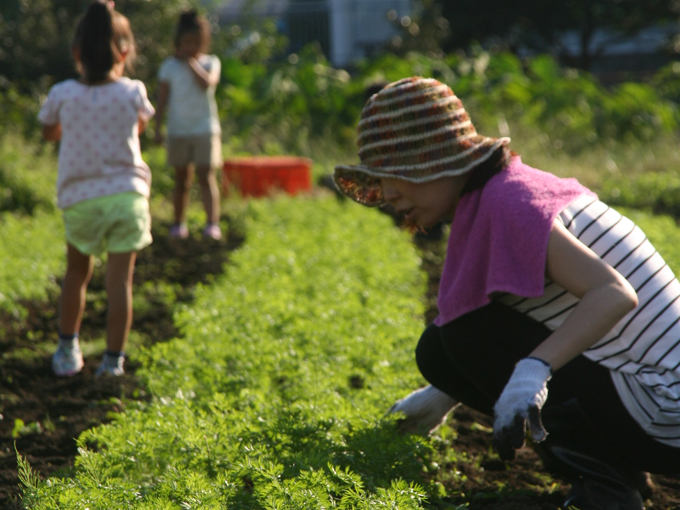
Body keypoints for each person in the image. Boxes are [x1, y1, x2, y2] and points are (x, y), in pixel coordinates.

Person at [334, 77, 680, 510]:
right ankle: (618, 470)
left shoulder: (508, 202)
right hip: (655, 401)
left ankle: (605, 489)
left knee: (461, 336)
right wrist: (442, 393)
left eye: (394, 175)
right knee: (443, 347)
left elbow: (613, 294)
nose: (386, 195)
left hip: (667, 410)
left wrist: (532, 372)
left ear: (435, 161)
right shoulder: (501, 190)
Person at [38, 0, 155, 377]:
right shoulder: (133, 91)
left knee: (77, 275)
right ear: (124, 52)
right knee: (120, 282)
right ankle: (112, 362)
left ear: (76, 53)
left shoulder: (62, 94)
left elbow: (48, 131)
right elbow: (140, 127)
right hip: (127, 196)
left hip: (81, 199)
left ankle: (67, 350)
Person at [154, 10, 223, 240]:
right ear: (178, 42)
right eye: (186, 42)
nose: (191, 46)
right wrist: (157, 128)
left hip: (205, 128)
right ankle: (178, 223)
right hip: (178, 130)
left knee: (206, 176)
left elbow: (207, 84)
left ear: (203, 41)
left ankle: (212, 223)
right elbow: (161, 100)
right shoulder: (169, 67)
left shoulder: (211, 63)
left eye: (195, 42)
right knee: (182, 179)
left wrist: (191, 62)